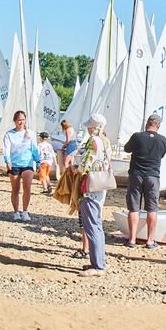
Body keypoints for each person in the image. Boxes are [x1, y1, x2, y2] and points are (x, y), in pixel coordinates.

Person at [123, 114, 166, 248]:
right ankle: (150, 240)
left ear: (146, 122)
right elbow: (162, 155)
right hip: (153, 176)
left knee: (134, 208)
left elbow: (126, 149)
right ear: (158, 125)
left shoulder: (137, 136)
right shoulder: (162, 140)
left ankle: (132, 239)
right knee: (152, 208)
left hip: (136, 174)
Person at [76, 113, 112, 276]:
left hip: (91, 187)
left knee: (92, 226)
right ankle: (98, 262)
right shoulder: (105, 142)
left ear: (93, 127)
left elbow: (85, 164)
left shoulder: (93, 141)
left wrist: (75, 169)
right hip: (100, 187)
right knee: (96, 225)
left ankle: (98, 266)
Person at [2, 110, 39, 222]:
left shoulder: (30, 133)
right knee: (15, 188)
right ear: (15, 121)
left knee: (27, 187)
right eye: (19, 120)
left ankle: (25, 211)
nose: (21, 122)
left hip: (27, 163)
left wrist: (38, 161)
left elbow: (34, 148)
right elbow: (6, 148)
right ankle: (16, 211)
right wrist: (7, 160)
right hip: (14, 164)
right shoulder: (9, 134)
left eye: (23, 120)